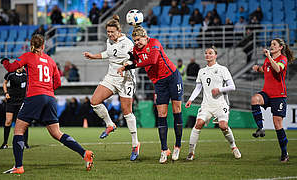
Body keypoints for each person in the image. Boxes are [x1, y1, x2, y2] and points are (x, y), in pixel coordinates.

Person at [0, 34, 94, 174]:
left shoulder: (28, 56)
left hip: (34, 97)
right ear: (43, 46)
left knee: (18, 130)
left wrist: (5, 61)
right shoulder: (50, 61)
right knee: (57, 133)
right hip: (50, 98)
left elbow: (11, 68)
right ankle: (84, 153)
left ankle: (18, 166)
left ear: (32, 44)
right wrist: (47, 90)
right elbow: (58, 82)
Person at [117, 26, 184, 163]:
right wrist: (128, 62)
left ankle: (177, 146)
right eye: (135, 40)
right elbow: (134, 60)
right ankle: (164, 150)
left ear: (145, 37)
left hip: (172, 77)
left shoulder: (154, 43)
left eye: (139, 40)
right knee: (161, 114)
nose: (137, 43)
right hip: (159, 83)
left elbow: (152, 60)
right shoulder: (136, 49)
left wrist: (130, 66)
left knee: (177, 110)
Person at [83, 15, 140, 161]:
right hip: (111, 77)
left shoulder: (127, 43)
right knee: (94, 101)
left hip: (126, 79)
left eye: (112, 32)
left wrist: (124, 66)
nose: (109, 34)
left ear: (119, 31)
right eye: (108, 32)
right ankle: (110, 124)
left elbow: (134, 59)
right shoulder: (109, 41)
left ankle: (135, 144)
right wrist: (92, 56)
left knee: (127, 113)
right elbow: (108, 54)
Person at [185, 46, 241, 161]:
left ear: (215, 55)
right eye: (206, 53)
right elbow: (198, 88)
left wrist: (219, 89)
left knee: (223, 126)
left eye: (210, 53)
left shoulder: (222, 69)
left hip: (221, 104)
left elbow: (232, 86)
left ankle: (233, 147)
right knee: (198, 123)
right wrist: (191, 99)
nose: (207, 55)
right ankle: (191, 152)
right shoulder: (202, 71)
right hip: (206, 104)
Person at [250, 38, 294, 162]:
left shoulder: (282, 59)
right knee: (254, 99)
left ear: (280, 47)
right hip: (267, 93)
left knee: (277, 124)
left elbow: (278, 69)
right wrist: (258, 68)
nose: (271, 46)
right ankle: (260, 128)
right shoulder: (267, 60)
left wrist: (269, 57)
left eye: (274, 44)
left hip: (279, 95)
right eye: (271, 44)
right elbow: (266, 69)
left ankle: (284, 153)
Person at [0, 66, 29, 149]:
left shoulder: (26, 74)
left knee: (24, 122)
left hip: (22, 101)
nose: (22, 67)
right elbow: (5, 83)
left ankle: (25, 143)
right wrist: (6, 93)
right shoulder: (10, 74)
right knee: (8, 121)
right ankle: (5, 143)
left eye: (23, 66)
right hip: (11, 101)